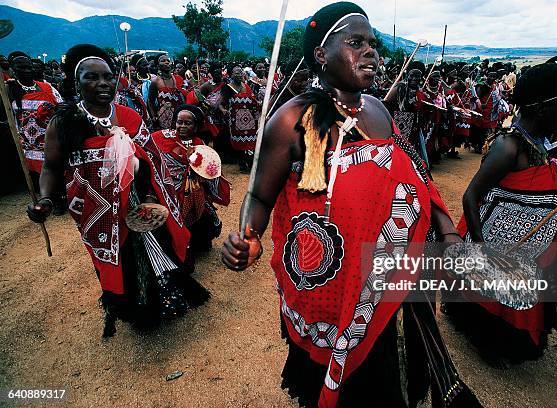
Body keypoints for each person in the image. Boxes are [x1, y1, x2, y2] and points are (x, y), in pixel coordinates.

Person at [221, 3, 480, 407]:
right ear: (321, 55)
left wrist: (446, 229)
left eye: (373, 44)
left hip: (390, 271)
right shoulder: (291, 121)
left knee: (382, 372)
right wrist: (248, 237)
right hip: (331, 283)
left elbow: (415, 173)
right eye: (355, 43)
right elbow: (258, 194)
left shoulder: (377, 109)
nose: (371, 52)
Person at [26, 44, 207, 337]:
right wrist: (45, 199)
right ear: (76, 82)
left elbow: (150, 161)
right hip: (96, 211)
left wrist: (149, 197)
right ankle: (132, 310)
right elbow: (51, 167)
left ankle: (161, 303)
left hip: (138, 202)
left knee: (154, 251)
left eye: (108, 77)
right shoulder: (64, 123)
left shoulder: (129, 117)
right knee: (119, 258)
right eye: (91, 77)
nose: (102, 84)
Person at [449, 63, 557, 389]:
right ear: (540, 107)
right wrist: (482, 252)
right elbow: (471, 196)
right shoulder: (509, 146)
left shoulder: (541, 142)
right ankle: (488, 340)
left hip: (523, 246)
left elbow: (541, 191)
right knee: (490, 298)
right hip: (494, 241)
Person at [150, 104, 229, 257]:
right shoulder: (161, 138)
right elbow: (146, 153)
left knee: (201, 212)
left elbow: (210, 172)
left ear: (196, 126)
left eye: (188, 123)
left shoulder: (200, 144)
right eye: (179, 122)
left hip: (194, 192)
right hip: (169, 191)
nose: (182, 126)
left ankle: (195, 243)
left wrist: (202, 176)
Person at [5, 51, 63, 175]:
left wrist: (53, 109)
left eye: (28, 67)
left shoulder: (47, 88)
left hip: (49, 140)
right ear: (13, 70)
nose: (26, 71)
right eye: (21, 68)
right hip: (27, 145)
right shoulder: (9, 90)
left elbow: (62, 108)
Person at [218, 64, 261, 173]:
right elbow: (221, 103)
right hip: (235, 121)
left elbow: (253, 100)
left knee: (251, 142)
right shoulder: (227, 88)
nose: (239, 75)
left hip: (249, 120)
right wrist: (223, 110)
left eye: (241, 72)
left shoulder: (246, 86)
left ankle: (250, 163)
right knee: (239, 142)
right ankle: (242, 164)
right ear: (231, 74)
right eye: (236, 73)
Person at [148, 54, 186, 130]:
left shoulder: (176, 79)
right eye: (163, 61)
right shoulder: (155, 81)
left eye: (168, 60)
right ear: (158, 65)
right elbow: (150, 101)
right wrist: (153, 117)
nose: (166, 62)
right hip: (162, 118)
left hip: (177, 117)